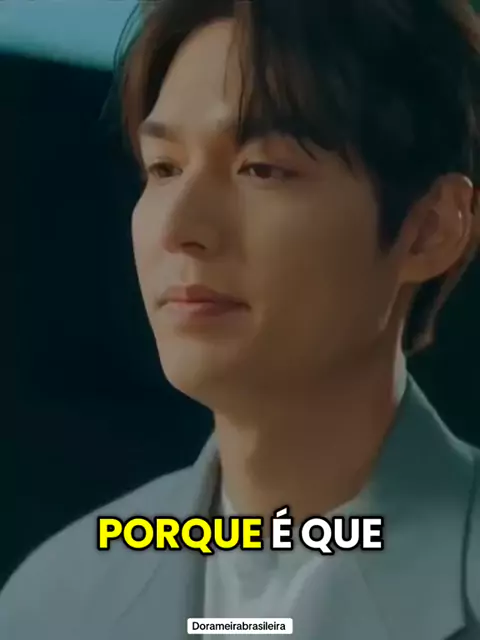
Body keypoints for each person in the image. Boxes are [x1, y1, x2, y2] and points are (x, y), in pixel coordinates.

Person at [2, 0, 480, 638]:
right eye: (164, 168)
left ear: (430, 229)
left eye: (262, 169)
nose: (180, 227)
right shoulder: (57, 600)